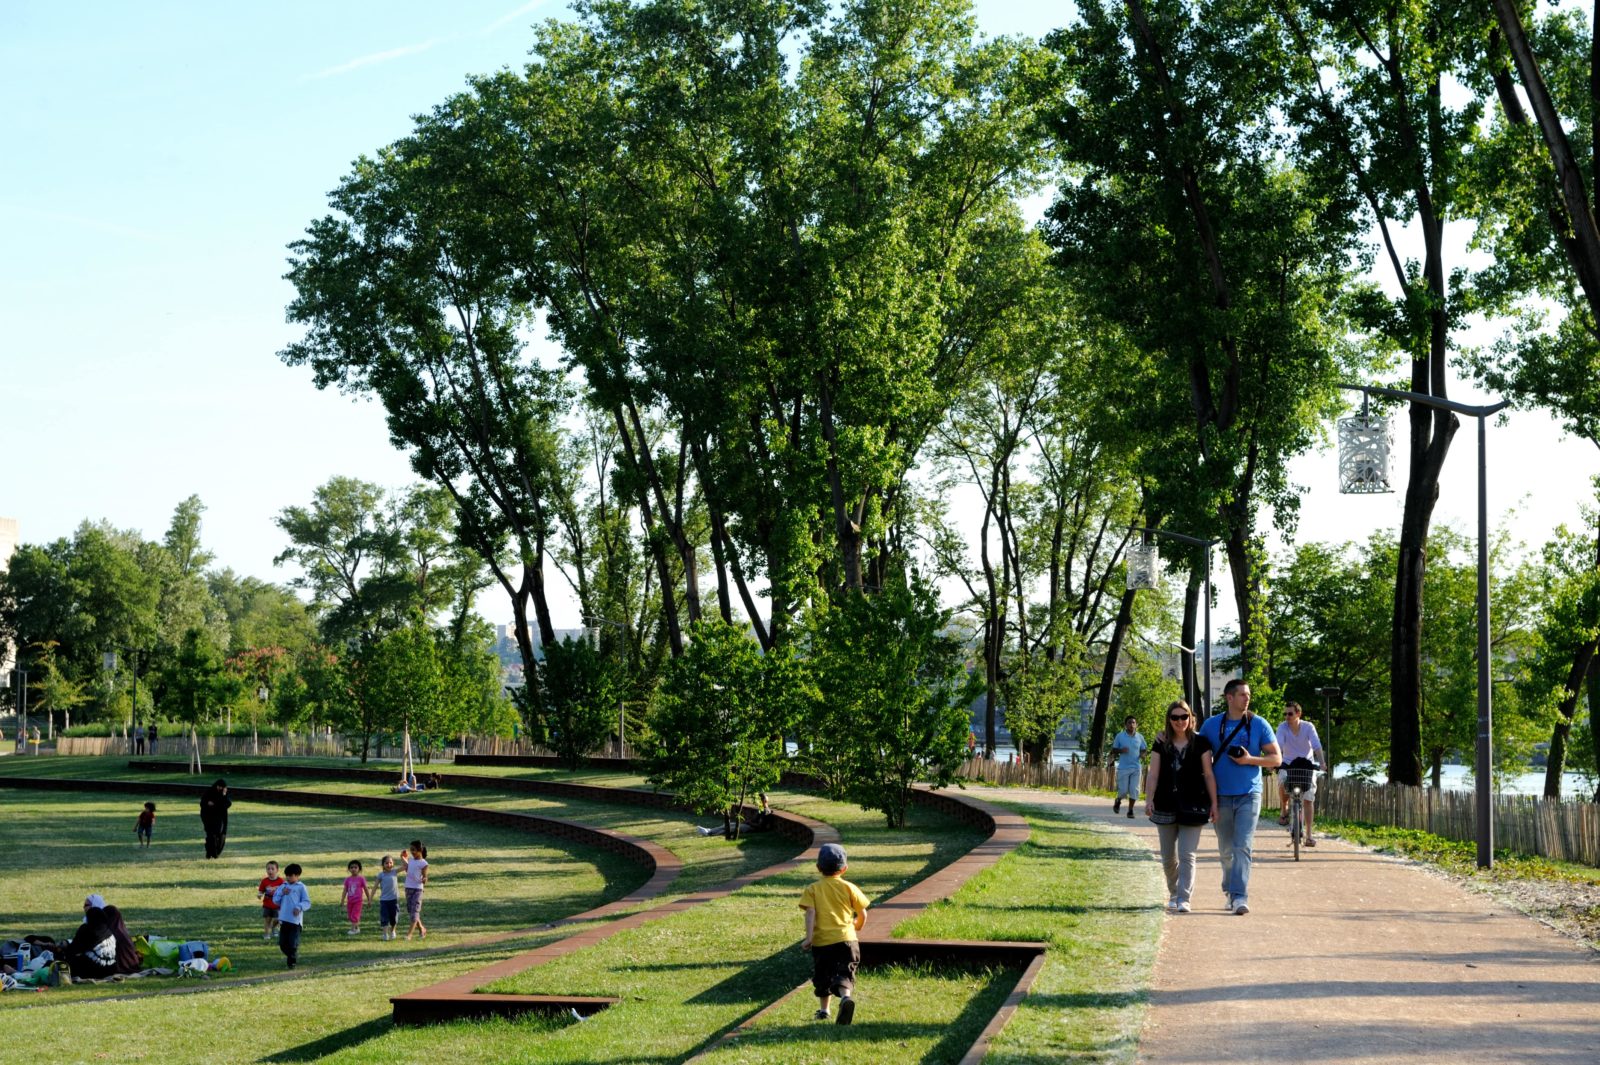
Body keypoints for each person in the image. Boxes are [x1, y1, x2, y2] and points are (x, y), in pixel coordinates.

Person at [1196, 679, 1281, 915]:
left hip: (1249, 794)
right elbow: (1195, 752)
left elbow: (1276, 759)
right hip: (1221, 795)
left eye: (1249, 695)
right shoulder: (1211, 726)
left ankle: (1239, 896)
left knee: (1242, 845)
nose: (1247, 698)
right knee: (1226, 849)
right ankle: (1230, 890)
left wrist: (1250, 760)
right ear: (1229, 698)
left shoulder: (1258, 724)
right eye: (1243, 694)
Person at [1144, 700, 1218, 913]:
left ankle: (1184, 898)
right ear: (1169, 719)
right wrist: (1149, 799)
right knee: (1168, 857)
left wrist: (1214, 803)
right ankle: (1174, 892)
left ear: (1190, 718)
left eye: (1183, 717)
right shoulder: (1161, 743)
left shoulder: (1201, 743)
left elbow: (1209, 774)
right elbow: (1153, 774)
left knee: (1187, 855)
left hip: (1194, 804)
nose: (1179, 721)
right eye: (1175, 717)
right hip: (1165, 803)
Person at [799, 842, 868, 1025]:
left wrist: (809, 938)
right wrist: (857, 925)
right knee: (845, 972)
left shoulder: (813, 889)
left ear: (818, 867)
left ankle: (824, 1010)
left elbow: (811, 913)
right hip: (847, 939)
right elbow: (863, 913)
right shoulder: (849, 887)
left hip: (823, 942)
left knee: (823, 975)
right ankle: (846, 998)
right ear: (844, 868)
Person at [1275, 702, 1326, 846]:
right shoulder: (1282, 727)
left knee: (1309, 799)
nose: (1287, 717)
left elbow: (1316, 745)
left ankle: (1309, 836)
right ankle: (1283, 809)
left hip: (1306, 765)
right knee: (1282, 781)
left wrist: (1322, 763)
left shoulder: (1308, 727)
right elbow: (1278, 745)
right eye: (1285, 714)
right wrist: (1274, 763)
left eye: (1290, 714)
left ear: (1298, 714)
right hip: (1288, 763)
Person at [61, 894, 140, 979]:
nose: (83, 907)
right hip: (113, 969)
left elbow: (74, 949)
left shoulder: (92, 931)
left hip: (107, 970)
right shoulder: (115, 932)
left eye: (86, 905)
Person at [272, 864, 311, 969]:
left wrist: (299, 907)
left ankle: (291, 963)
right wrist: (281, 893)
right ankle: (292, 955)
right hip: (284, 920)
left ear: (297, 875)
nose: (288, 878)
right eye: (287, 875)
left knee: (293, 943)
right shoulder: (283, 886)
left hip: (295, 921)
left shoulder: (301, 887)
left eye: (291, 875)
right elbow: (275, 900)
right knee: (283, 944)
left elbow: (307, 902)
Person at [1110, 715, 1147, 818]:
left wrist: (1143, 755)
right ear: (1125, 725)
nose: (1131, 724)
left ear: (1136, 725)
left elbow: (1144, 749)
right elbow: (1113, 750)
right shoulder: (1120, 736)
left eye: (1133, 722)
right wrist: (1121, 750)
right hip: (1123, 767)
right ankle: (1118, 800)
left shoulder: (1140, 737)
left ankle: (1130, 810)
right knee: (1123, 791)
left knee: (1134, 790)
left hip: (1136, 767)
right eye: (1129, 723)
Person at [399, 840, 429, 940]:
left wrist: (424, 879)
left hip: (417, 890)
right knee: (412, 911)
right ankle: (422, 929)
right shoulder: (411, 860)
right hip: (408, 889)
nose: (411, 852)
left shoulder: (424, 863)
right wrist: (402, 857)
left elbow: (425, 877)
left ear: (420, 850)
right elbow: (408, 869)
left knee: (415, 912)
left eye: (413, 850)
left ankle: (409, 935)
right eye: (411, 850)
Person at [200, 779, 231, 859]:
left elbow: (227, 804)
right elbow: (202, 803)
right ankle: (210, 853)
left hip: (219, 818)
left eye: (222, 788)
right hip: (208, 817)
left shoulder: (224, 794)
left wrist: (223, 796)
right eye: (219, 787)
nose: (220, 789)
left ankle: (214, 852)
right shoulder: (209, 792)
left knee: (218, 835)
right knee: (210, 835)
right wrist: (207, 803)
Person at [257, 861, 286, 941]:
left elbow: (285, 891)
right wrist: (259, 895)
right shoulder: (264, 881)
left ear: (277, 870)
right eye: (268, 869)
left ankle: (274, 928)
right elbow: (261, 891)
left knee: (278, 919)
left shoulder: (281, 881)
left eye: (272, 869)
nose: (270, 871)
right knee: (267, 920)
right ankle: (266, 934)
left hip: (277, 905)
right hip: (267, 904)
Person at [375, 855, 400, 941]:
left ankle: (393, 931)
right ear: (383, 864)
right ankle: (385, 934)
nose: (389, 864)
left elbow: (406, 866)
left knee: (394, 918)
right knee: (384, 918)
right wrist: (370, 898)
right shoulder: (381, 875)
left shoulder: (394, 872)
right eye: (386, 863)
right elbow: (375, 887)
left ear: (393, 863)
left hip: (394, 900)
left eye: (390, 862)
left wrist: (403, 857)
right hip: (384, 900)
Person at [342, 860, 370, 935]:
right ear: (349, 869)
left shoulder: (361, 879)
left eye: (355, 867)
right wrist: (342, 900)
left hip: (358, 901)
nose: (353, 869)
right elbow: (345, 890)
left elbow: (366, 889)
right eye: (351, 867)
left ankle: (353, 929)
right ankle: (357, 928)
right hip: (350, 901)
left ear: (359, 869)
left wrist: (369, 899)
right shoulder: (347, 879)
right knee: (350, 916)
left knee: (354, 915)